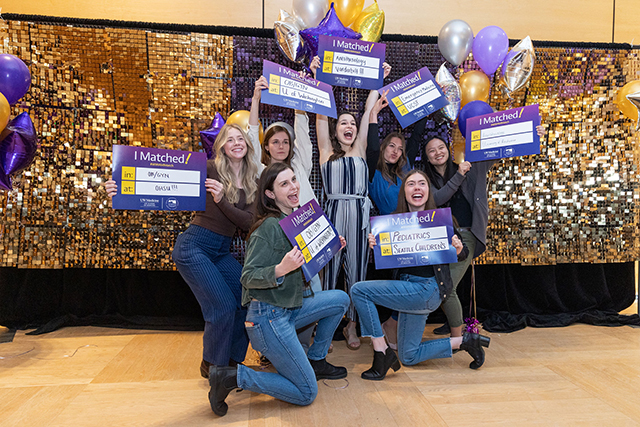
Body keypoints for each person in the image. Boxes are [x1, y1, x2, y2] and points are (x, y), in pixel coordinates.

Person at [106, 123, 260, 379]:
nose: (236, 142)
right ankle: (215, 368)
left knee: (246, 300)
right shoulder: (210, 169)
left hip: (221, 252)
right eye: (230, 139)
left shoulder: (253, 180)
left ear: (247, 144)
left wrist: (222, 200)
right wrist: (119, 187)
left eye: (240, 138)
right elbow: (161, 177)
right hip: (194, 247)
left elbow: (247, 222)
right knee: (221, 306)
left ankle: (231, 365)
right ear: (221, 146)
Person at [208, 162, 350, 416]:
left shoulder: (294, 222)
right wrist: (280, 269)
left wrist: (328, 248)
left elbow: (304, 265)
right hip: (267, 319)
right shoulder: (269, 226)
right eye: (284, 183)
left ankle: (316, 360)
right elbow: (248, 277)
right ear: (270, 194)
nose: (294, 186)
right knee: (306, 393)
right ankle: (233, 376)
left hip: (290, 308)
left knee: (340, 299)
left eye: (293, 180)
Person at [351, 170, 491, 381]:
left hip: (428, 289)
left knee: (359, 291)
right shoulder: (392, 223)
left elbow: (460, 256)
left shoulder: (444, 220)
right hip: (408, 291)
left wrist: (459, 248)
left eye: (422, 183)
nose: (417, 187)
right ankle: (465, 341)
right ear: (404, 192)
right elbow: (388, 261)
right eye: (411, 184)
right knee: (409, 356)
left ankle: (381, 351)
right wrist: (376, 246)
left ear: (428, 191)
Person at [423, 125, 545, 337]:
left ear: (448, 149)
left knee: (446, 286)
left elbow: (496, 152)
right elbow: (437, 199)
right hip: (439, 238)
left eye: (440, 147)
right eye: (431, 150)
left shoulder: (468, 168)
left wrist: (530, 134)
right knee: (443, 285)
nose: (437, 153)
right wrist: (458, 176)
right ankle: (457, 328)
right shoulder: (425, 180)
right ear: (427, 157)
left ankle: (459, 336)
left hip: (466, 235)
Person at [311, 55, 391, 350]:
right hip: (332, 213)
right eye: (342, 122)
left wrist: (377, 78)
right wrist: (319, 74)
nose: (349, 125)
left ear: (356, 130)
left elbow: (369, 108)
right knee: (329, 270)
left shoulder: (359, 148)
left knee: (356, 271)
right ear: (335, 130)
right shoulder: (325, 151)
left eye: (352, 123)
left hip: (359, 214)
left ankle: (352, 326)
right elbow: (321, 112)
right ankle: (326, 328)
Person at [248, 75, 323, 351]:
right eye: (274, 142)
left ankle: (305, 346)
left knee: (315, 287)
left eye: (284, 142)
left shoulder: (299, 165)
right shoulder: (262, 171)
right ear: (267, 146)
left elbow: (303, 134)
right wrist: (256, 98)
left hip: (308, 231)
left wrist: (300, 97)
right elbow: (251, 137)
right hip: (282, 238)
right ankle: (282, 345)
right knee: (287, 290)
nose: (281, 146)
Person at [366, 93, 429, 350]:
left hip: (411, 231)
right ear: (383, 148)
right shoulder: (372, 168)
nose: (396, 151)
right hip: (385, 233)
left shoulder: (406, 173)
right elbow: (370, 144)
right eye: (391, 145)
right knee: (392, 281)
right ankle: (386, 324)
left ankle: (393, 324)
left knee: (408, 280)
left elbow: (416, 139)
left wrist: (426, 105)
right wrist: (373, 115)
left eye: (400, 148)